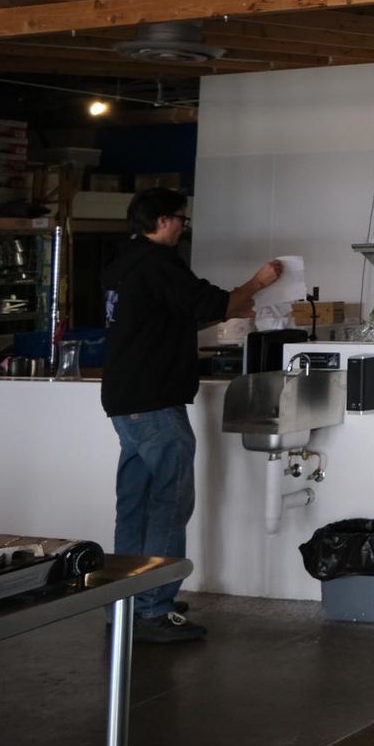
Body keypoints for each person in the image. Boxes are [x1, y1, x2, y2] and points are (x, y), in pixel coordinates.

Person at [102, 187, 281, 644]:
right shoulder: (159, 264)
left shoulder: (124, 262)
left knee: (135, 506)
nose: (184, 226)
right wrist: (259, 282)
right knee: (168, 503)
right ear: (162, 220)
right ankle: (154, 610)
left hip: (126, 401)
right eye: (181, 219)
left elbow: (175, 315)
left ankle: (125, 602)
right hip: (157, 402)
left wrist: (229, 305)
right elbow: (215, 304)